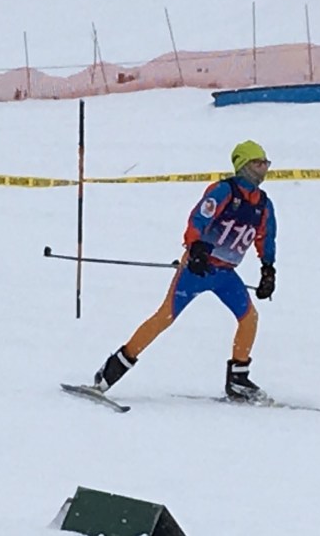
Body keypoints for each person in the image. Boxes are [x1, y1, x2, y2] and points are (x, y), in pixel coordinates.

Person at [92, 140, 278, 402]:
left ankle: (238, 380)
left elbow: (265, 237)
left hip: (226, 275)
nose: (264, 168)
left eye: (266, 163)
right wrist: (196, 246)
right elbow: (198, 218)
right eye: (258, 163)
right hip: (198, 270)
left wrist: (268, 268)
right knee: (164, 317)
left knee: (249, 318)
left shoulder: (264, 204)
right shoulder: (224, 191)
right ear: (245, 166)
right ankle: (109, 374)